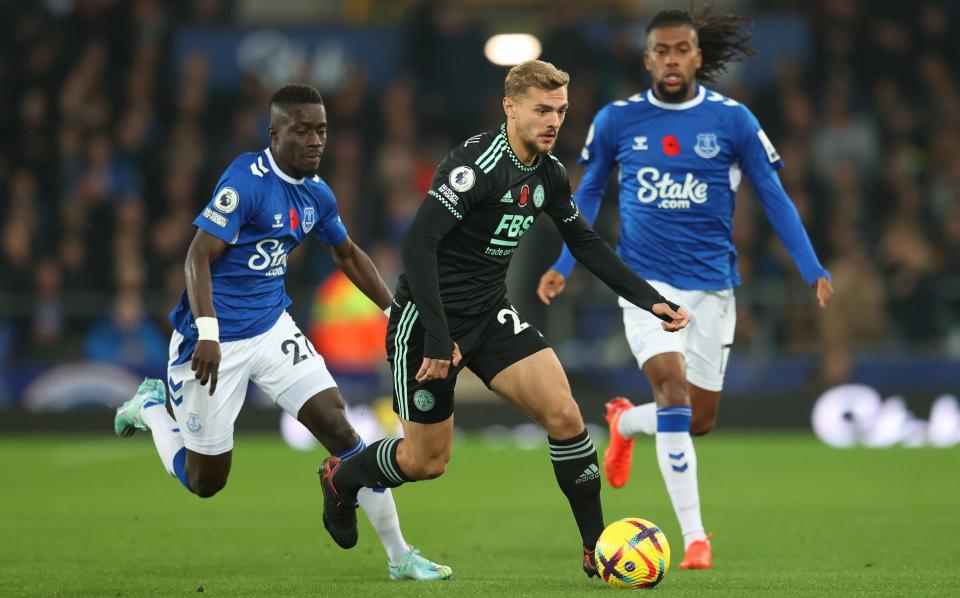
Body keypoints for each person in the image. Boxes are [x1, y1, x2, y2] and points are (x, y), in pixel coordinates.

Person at [315, 60, 690, 578]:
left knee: (565, 415)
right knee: (427, 462)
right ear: (509, 107)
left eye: (560, 110)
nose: (553, 121)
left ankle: (595, 547)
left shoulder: (550, 174)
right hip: (426, 322)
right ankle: (343, 479)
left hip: (490, 314)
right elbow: (418, 244)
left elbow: (585, 242)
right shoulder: (475, 166)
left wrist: (651, 299)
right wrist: (439, 337)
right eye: (542, 110)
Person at [113, 84, 452, 581]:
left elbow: (348, 254)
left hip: (272, 329)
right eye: (302, 131)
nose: (315, 140)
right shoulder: (245, 182)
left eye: (322, 130)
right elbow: (197, 256)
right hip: (213, 343)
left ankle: (400, 555)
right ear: (274, 134)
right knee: (206, 481)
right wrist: (207, 331)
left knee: (343, 432)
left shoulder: (316, 193)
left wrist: (393, 310)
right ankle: (148, 407)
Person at [537, 8, 834, 570]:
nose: (671, 59)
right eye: (661, 50)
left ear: (697, 57)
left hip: (713, 288)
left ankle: (625, 422)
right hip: (645, 283)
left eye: (681, 50)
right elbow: (589, 195)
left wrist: (811, 266)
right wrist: (564, 263)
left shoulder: (734, 121)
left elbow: (773, 195)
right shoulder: (617, 121)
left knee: (697, 419)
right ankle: (696, 538)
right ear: (647, 58)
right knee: (672, 395)